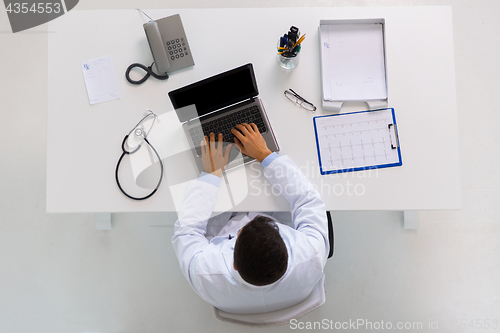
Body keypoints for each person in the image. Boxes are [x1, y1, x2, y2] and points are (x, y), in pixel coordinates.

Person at [171, 123, 329, 314]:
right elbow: (308, 200)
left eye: (240, 232)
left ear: (234, 264)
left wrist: (212, 174)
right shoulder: (310, 254)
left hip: (223, 220)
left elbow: (187, 230)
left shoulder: (205, 272)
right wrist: (265, 155)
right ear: (287, 252)